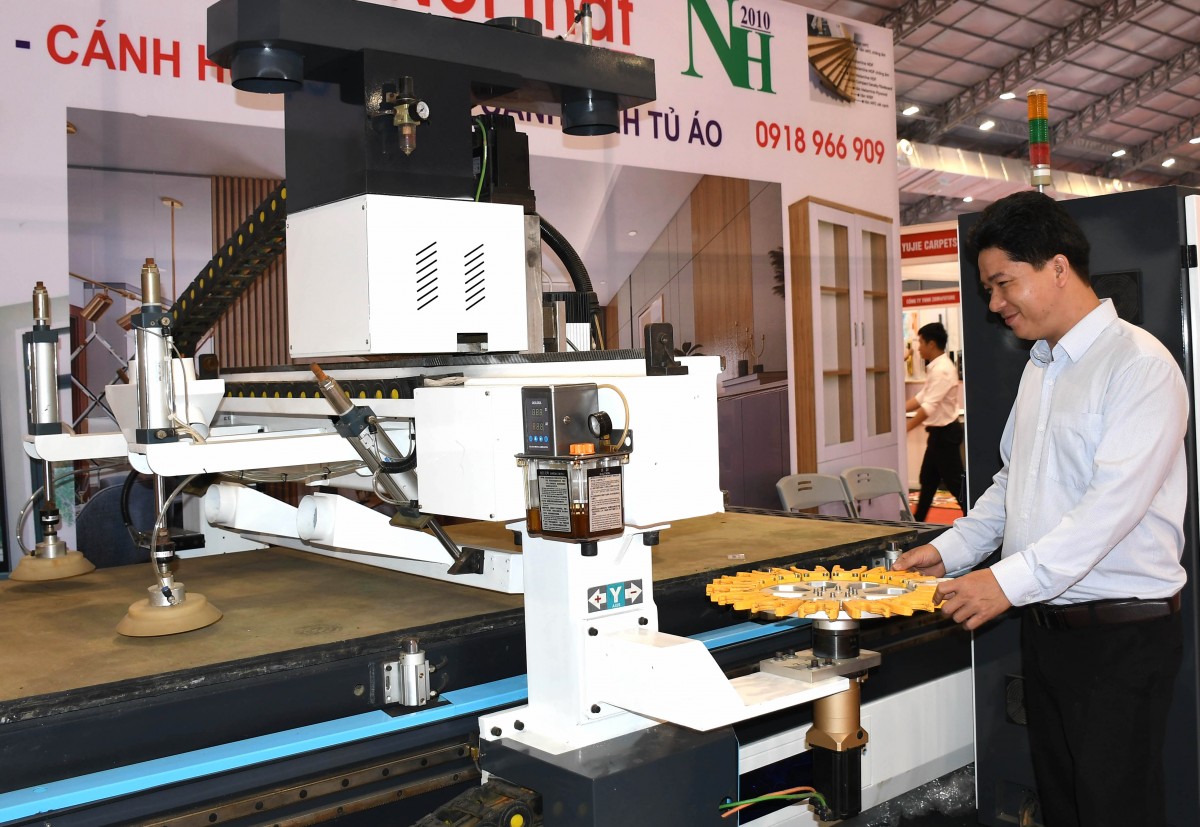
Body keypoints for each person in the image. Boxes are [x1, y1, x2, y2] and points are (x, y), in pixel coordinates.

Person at [893, 191, 1187, 827]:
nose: (994, 305)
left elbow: (1109, 511)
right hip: (1048, 631)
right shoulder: (1041, 367)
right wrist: (949, 550)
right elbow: (1013, 482)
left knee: (1115, 810)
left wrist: (1003, 582)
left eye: (1004, 284)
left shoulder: (1139, 367)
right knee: (1063, 805)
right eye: (988, 289)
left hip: (1119, 639)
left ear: (1058, 267)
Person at [904, 322, 963, 521]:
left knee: (954, 483)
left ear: (931, 344)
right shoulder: (936, 367)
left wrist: (906, 428)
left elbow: (928, 407)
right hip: (938, 434)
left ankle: (973, 517)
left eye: (920, 342)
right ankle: (919, 521)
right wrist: (896, 411)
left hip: (946, 434)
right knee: (928, 479)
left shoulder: (942, 370)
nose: (918, 348)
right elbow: (921, 398)